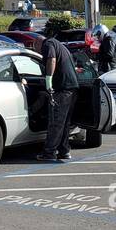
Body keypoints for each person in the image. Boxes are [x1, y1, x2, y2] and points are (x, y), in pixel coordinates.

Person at [37, 24, 78, 162]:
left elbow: (52, 59)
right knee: (65, 122)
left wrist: (48, 79)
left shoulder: (48, 44)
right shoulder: (59, 45)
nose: (37, 51)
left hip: (62, 89)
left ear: (38, 42)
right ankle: (64, 150)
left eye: (34, 47)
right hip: (72, 87)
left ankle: (49, 152)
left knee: (56, 122)